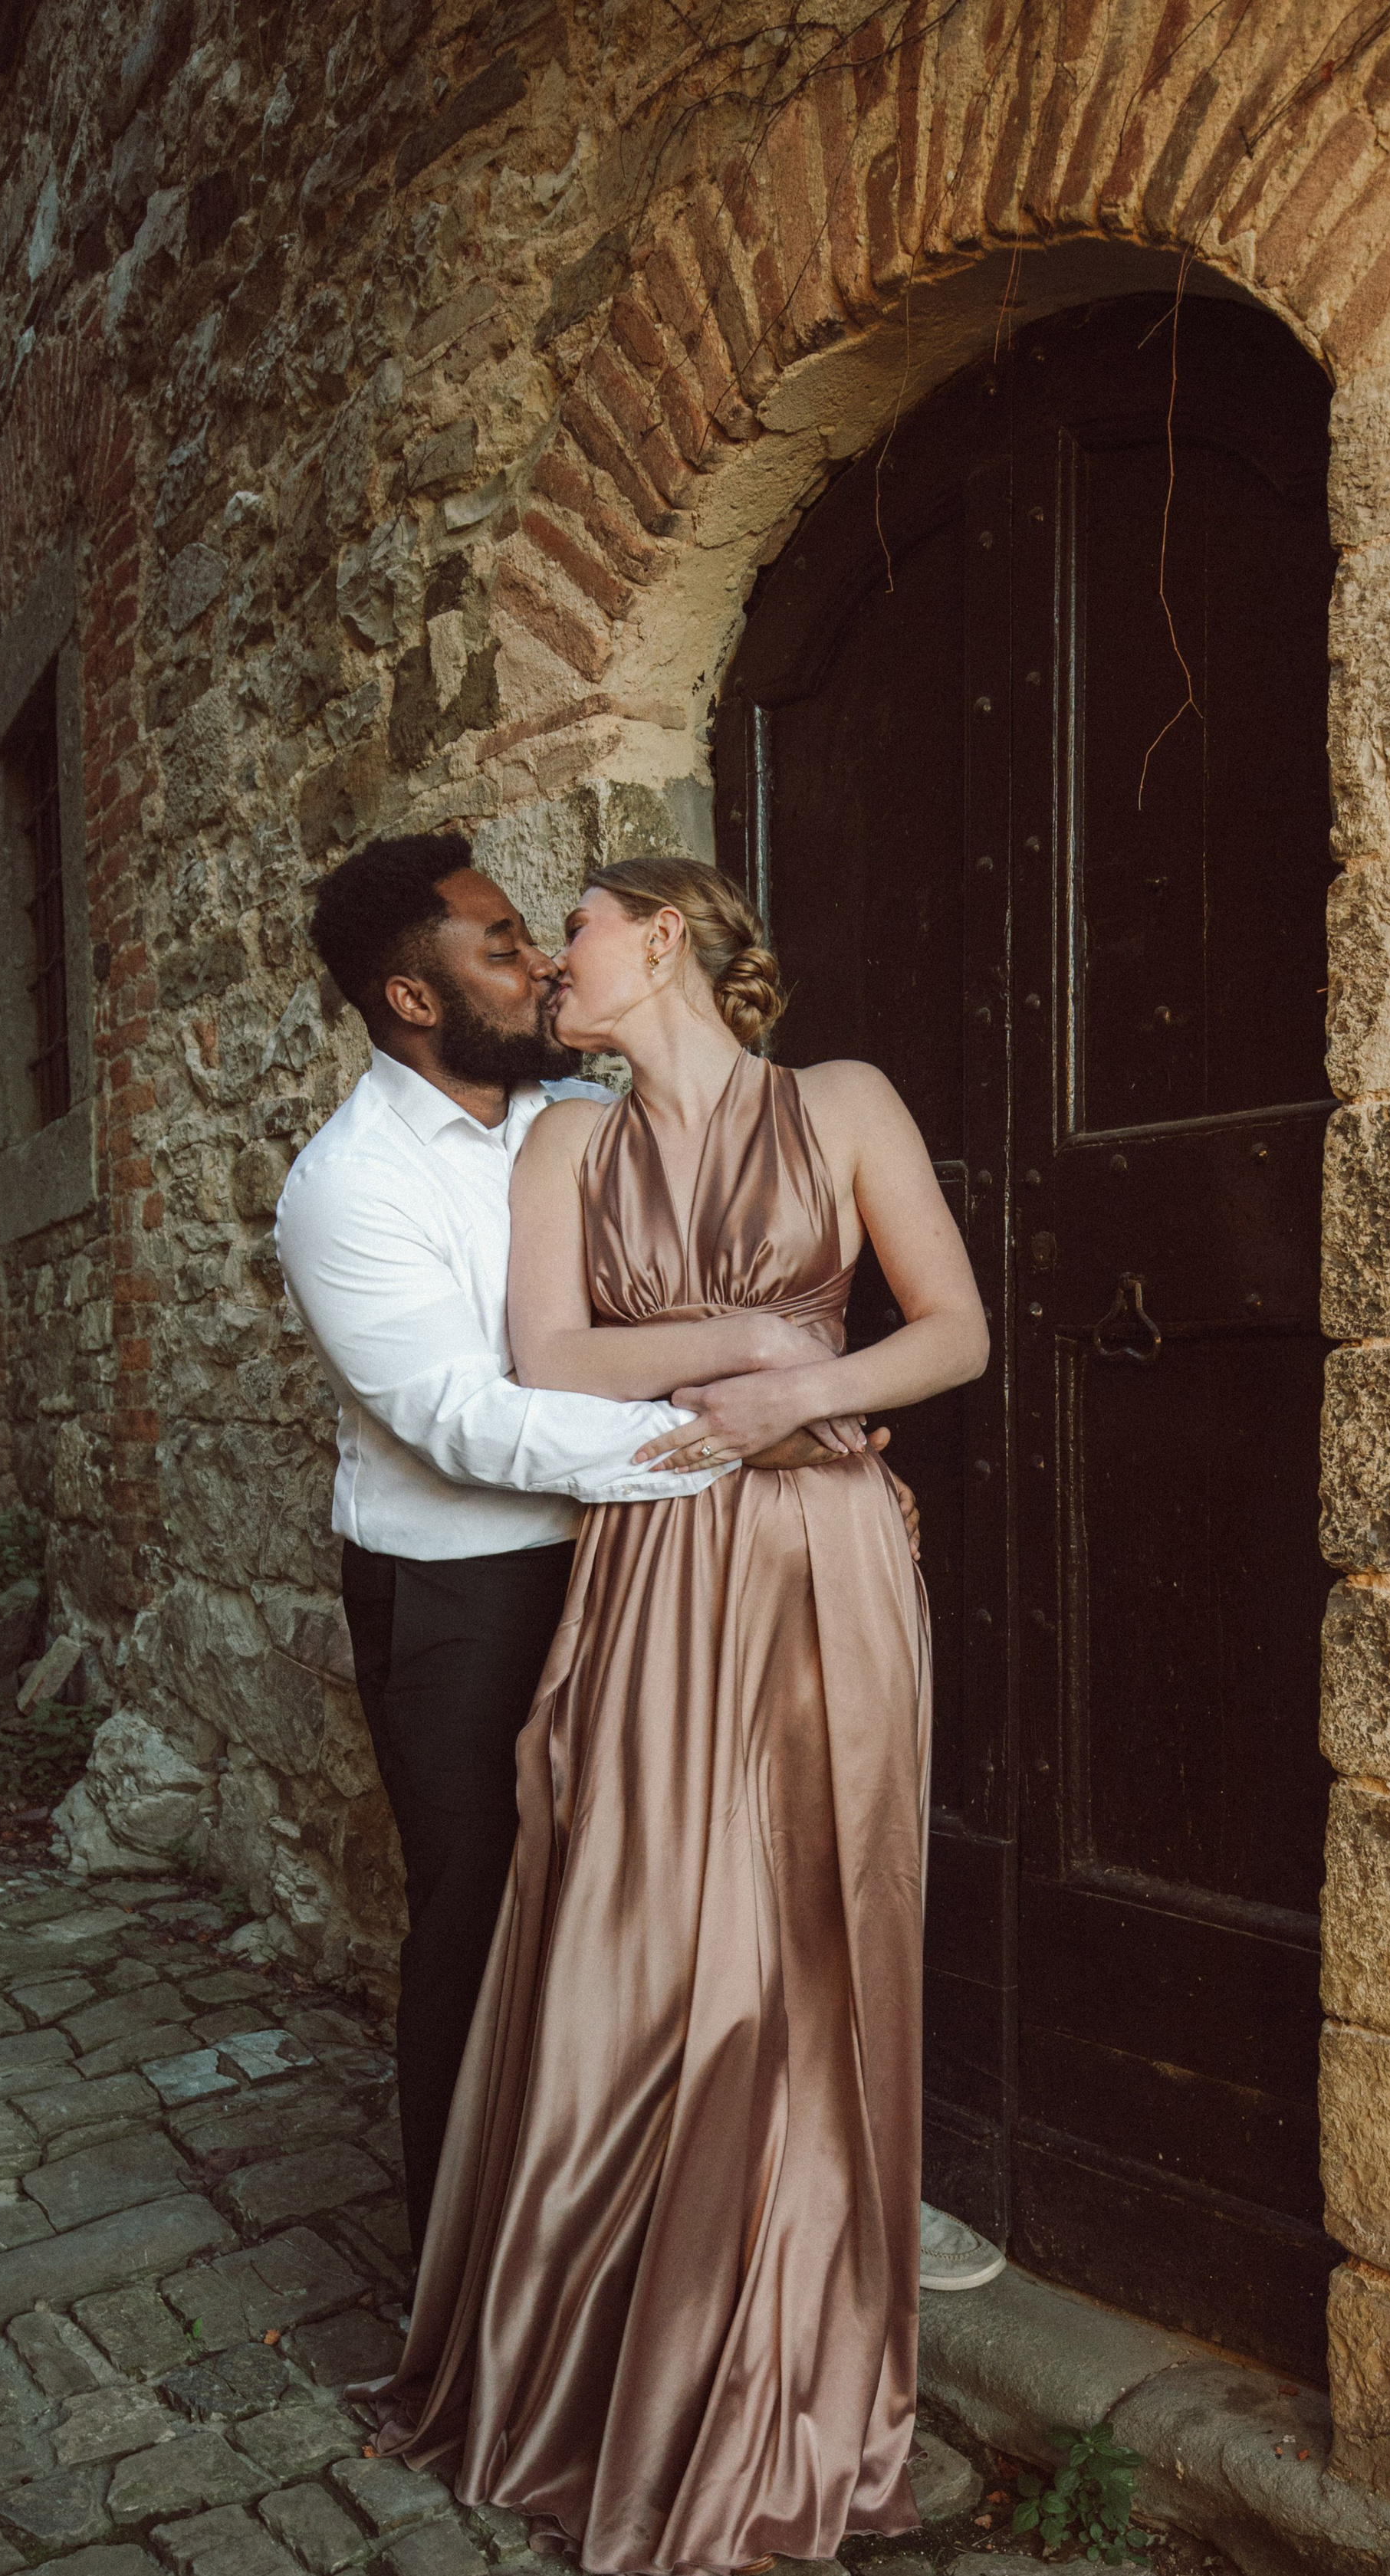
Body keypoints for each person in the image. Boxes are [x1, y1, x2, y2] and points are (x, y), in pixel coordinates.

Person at [373, 855, 990, 2576]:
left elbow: (951, 1331)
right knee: (641, 1928)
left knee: (813, 1923)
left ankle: (798, 2350)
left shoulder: (845, 1101)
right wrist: (736, 1342)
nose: (545, 959)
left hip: (826, 1547)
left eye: (568, 926)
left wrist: (810, 1387)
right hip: (653, 1547)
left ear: (658, 936)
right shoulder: (570, 1136)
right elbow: (546, 1357)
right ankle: (629, 2350)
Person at [275, 834, 909, 2254]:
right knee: (486, 1912)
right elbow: (465, 1420)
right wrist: (748, 1435)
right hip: (465, 1586)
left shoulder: (577, 1110)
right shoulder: (347, 1186)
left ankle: (679, 2222)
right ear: (414, 999)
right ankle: (464, 2265)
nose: (543, 961)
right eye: (502, 948)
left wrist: (799, 1424)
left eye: (543, 933)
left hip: (649, 1563)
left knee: (642, 1907)